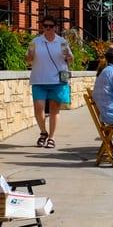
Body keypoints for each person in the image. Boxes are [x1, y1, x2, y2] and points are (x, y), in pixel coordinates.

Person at [26, 15, 73, 149]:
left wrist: (69, 57)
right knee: (38, 108)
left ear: (55, 27)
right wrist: (29, 56)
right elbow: (28, 59)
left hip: (57, 80)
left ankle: (51, 137)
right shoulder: (35, 41)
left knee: (54, 110)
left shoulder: (62, 42)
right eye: (45, 26)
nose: (47, 28)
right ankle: (43, 132)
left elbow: (70, 59)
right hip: (39, 79)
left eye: (50, 26)